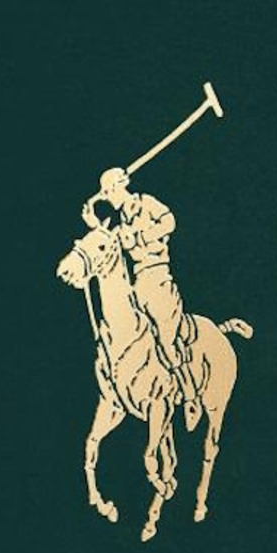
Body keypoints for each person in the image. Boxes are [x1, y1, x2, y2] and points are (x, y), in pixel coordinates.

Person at [80, 167, 198, 419]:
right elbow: (107, 245)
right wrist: (94, 224)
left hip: (159, 279)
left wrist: (139, 238)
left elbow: (169, 222)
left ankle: (190, 396)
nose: (107, 197)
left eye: (108, 192)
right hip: (138, 284)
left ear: (119, 187)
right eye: (104, 193)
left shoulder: (146, 203)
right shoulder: (121, 222)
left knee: (165, 338)